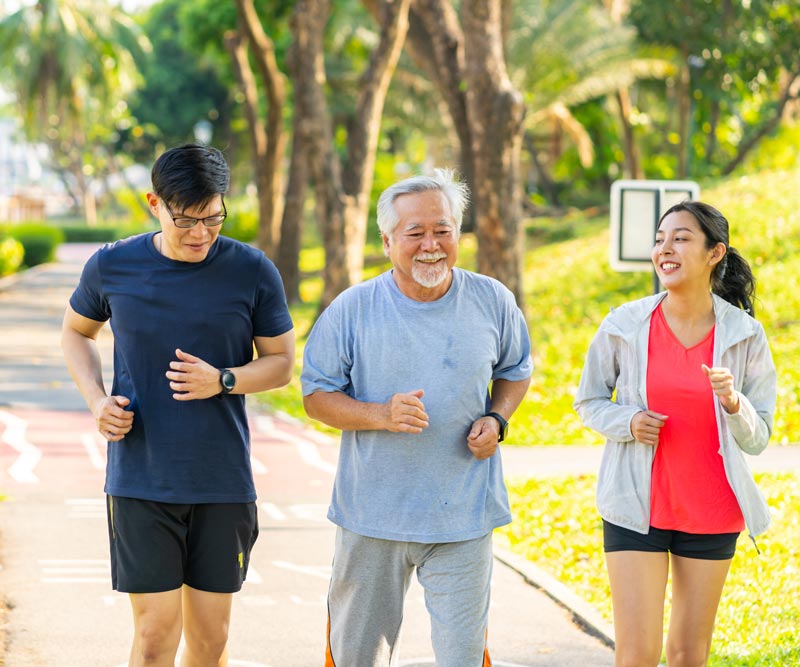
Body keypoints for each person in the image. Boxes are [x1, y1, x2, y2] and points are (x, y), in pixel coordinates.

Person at [61, 144, 295, 667]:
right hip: (142, 479)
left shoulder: (252, 270)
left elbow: (280, 362)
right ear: (154, 204)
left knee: (210, 641)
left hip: (222, 480)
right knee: (153, 639)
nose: (201, 234)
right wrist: (97, 401)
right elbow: (77, 333)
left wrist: (225, 379)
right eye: (186, 219)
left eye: (213, 218)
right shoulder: (112, 266)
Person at [301, 169, 533, 667]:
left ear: (458, 232)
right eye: (415, 233)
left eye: (442, 230)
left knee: (463, 658)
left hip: (463, 517)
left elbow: (516, 371)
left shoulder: (493, 301)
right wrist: (379, 414)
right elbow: (316, 395)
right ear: (387, 241)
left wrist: (496, 420)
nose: (431, 245)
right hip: (372, 517)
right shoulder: (353, 309)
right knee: (355, 657)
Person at [574, 201, 777, 667]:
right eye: (661, 239)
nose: (665, 248)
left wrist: (733, 403)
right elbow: (588, 400)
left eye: (681, 238)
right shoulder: (624, 324)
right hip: (635, 507)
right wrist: (627, 422)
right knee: (637, 654)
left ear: (714, 253)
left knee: (688, 655)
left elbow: (759, 436)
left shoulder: (746, 336)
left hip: (712, 509)